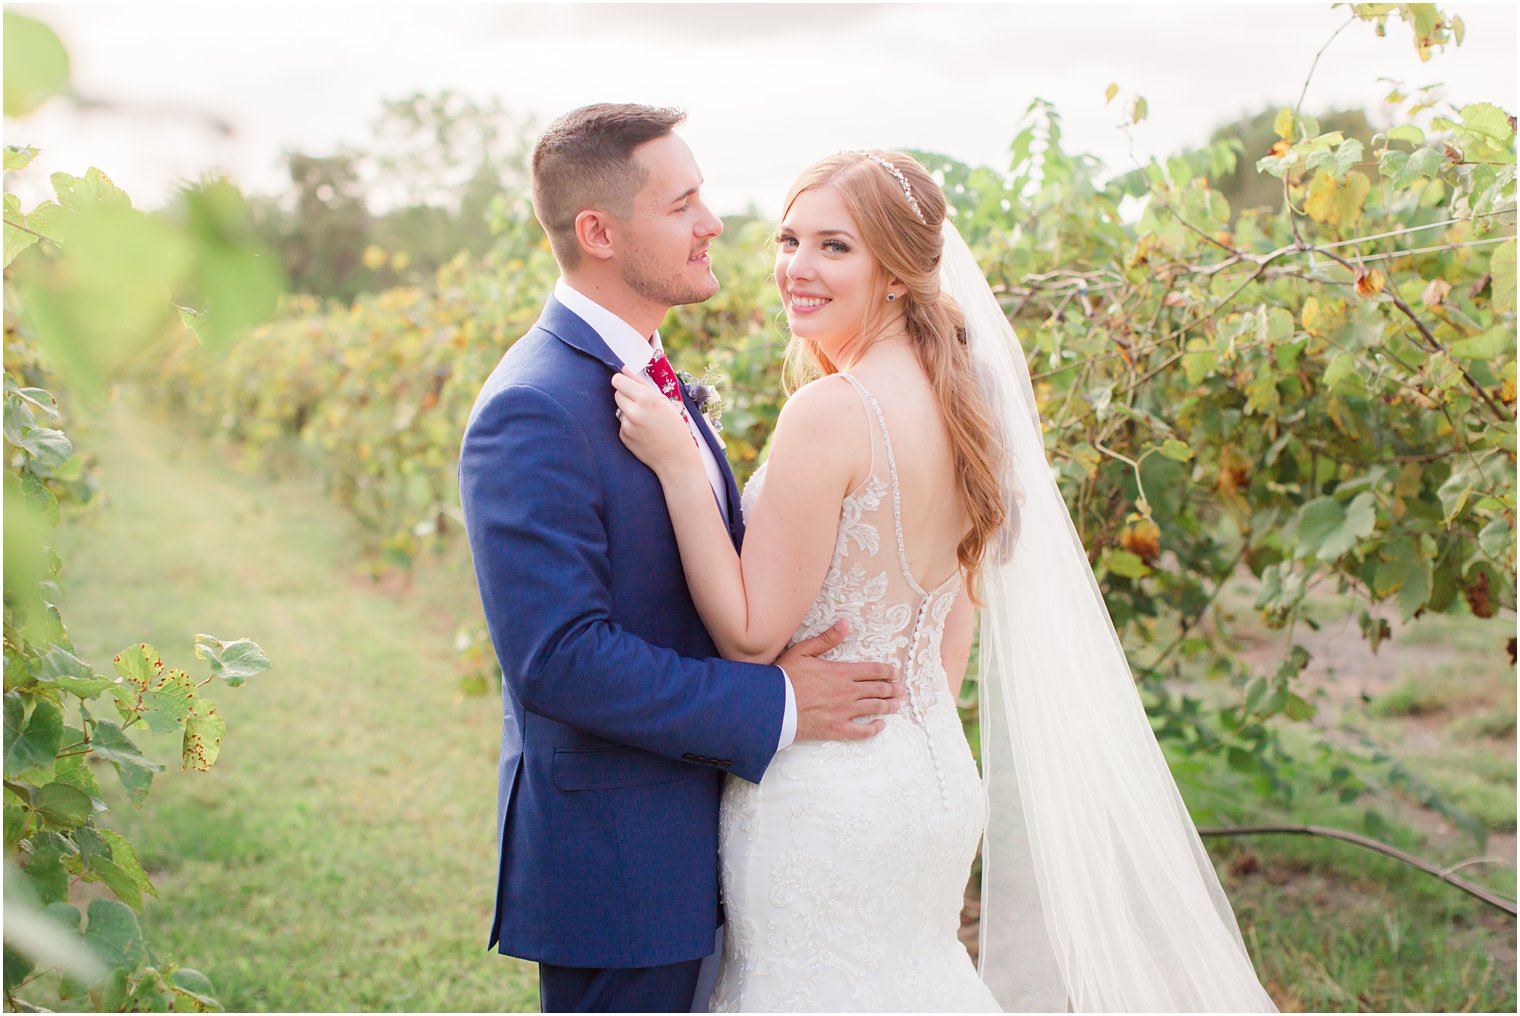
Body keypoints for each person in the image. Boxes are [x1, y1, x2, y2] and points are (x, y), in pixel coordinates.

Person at [612, 150, 1279, 1011]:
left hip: (826, 790)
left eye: (834, 247)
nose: (796, 268)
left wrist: (674, 464)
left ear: (896, 272)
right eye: (789, 238)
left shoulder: (831, 410)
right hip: (928, 778)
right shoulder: (967, 405)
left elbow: (749, 632)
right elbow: (949, 643)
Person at [457, 105, 906, 1014]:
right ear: (599, 233)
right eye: (684, 202)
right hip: (620, 870)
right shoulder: (533, 408)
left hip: (702, 843)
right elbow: (560, 661)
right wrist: (776, 700)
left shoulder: (644, 372)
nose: (714, 224)